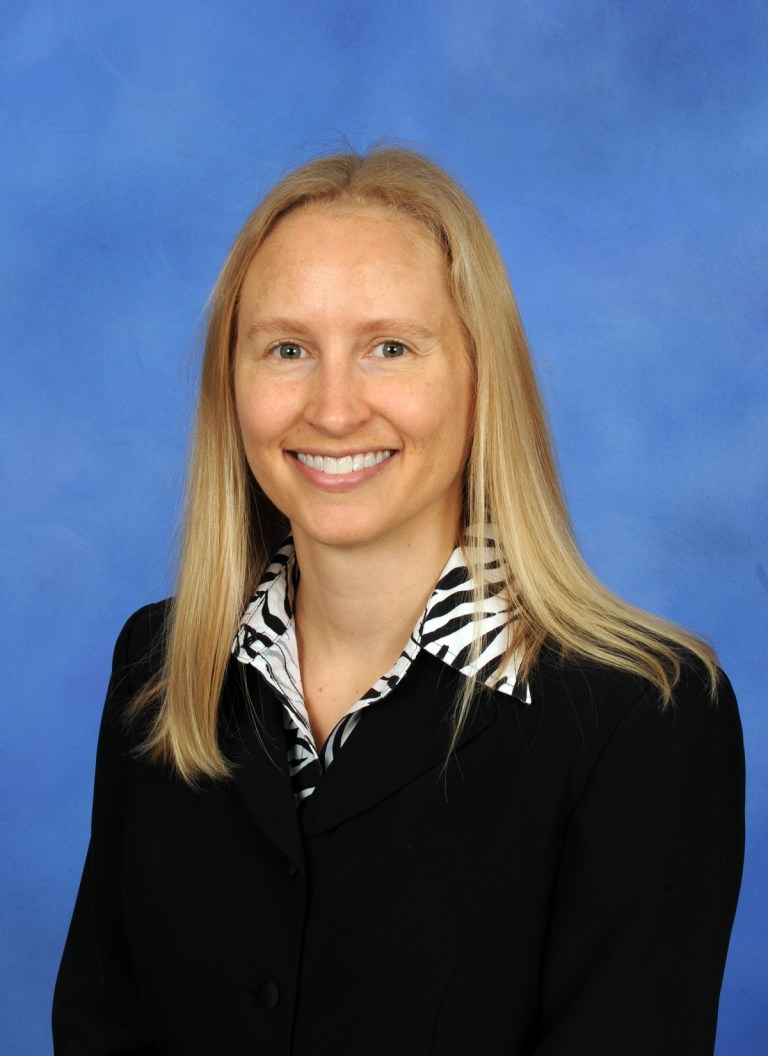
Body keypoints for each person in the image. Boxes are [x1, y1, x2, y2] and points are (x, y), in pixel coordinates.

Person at [53, 147, 745, 1056]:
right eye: (288, 349)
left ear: (478, 376)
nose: (333, 409)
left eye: (390, 348)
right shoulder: (158, 661)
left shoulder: (643, 720)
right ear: (232, 383)